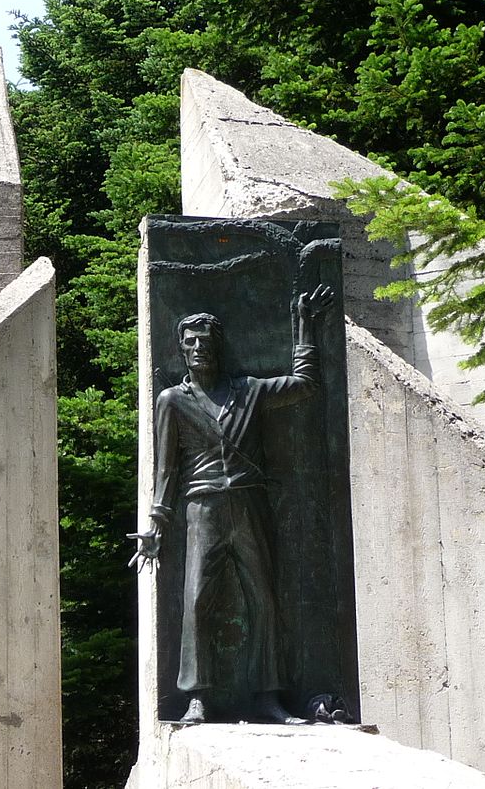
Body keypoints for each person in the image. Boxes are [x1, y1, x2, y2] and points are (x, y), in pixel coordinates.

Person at [130, 284, 334, 724]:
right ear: (182, 350)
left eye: (206, 341)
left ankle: (267, 697)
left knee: (264, 598)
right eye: (191, 343)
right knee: (197, 599)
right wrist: (157, 521)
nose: (199, 349)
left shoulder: (250, 390)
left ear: (218, 346)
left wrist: (304, 326)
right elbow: (167, 468)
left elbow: (306, 385)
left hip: (249, 505)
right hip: (201, 507)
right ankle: (197, 697)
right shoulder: (172, 401)